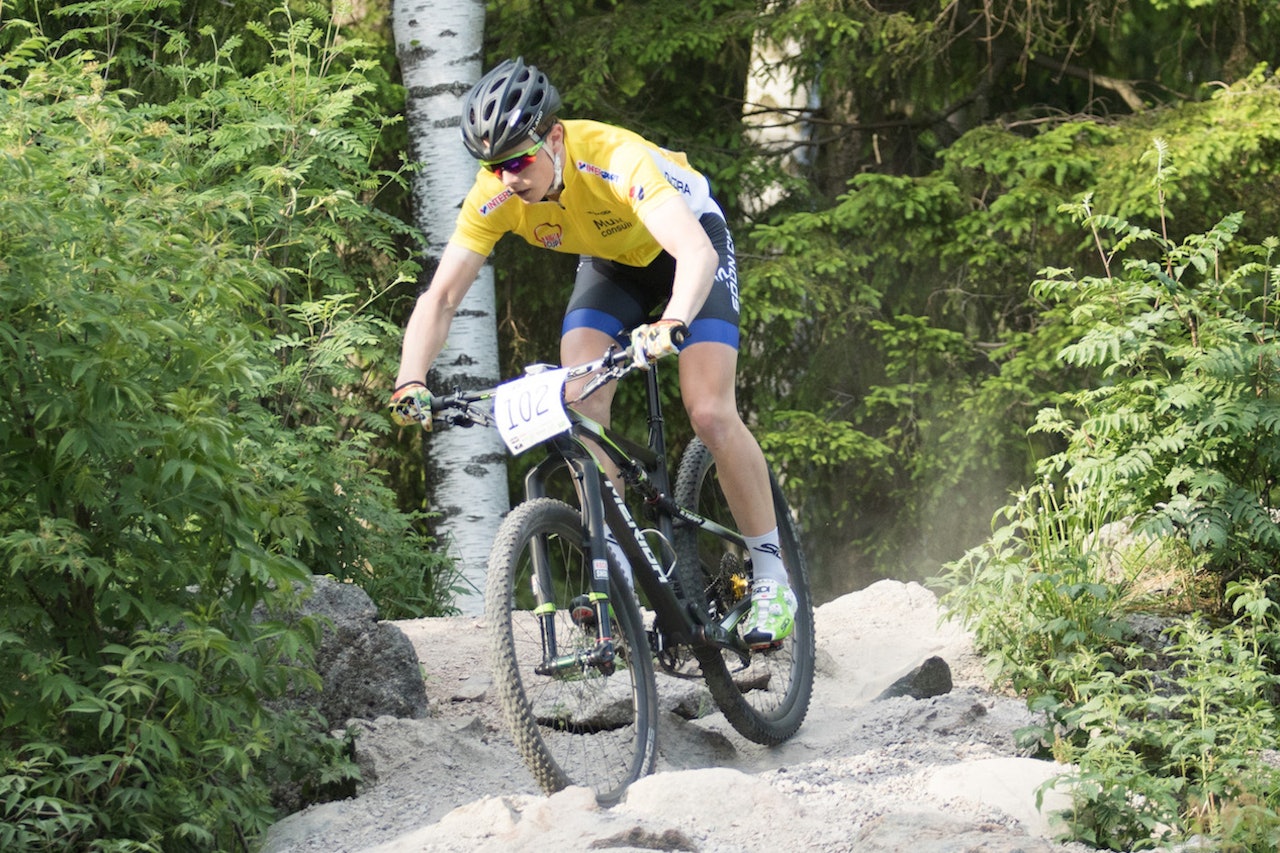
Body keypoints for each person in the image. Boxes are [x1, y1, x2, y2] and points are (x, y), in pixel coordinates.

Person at [388, 57, 794, 646]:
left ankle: (771, 574)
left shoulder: (610, 156)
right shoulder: (496, 193)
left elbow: (695, 255)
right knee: (578, 400)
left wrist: (675, 319)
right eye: (493, 167)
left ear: (554, 137)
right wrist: (410, 378)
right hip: (612, 265)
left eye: (519, 161)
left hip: (687, 245)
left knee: (707, 409)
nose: (507, 179)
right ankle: (616, 567)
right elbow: (444, 295)